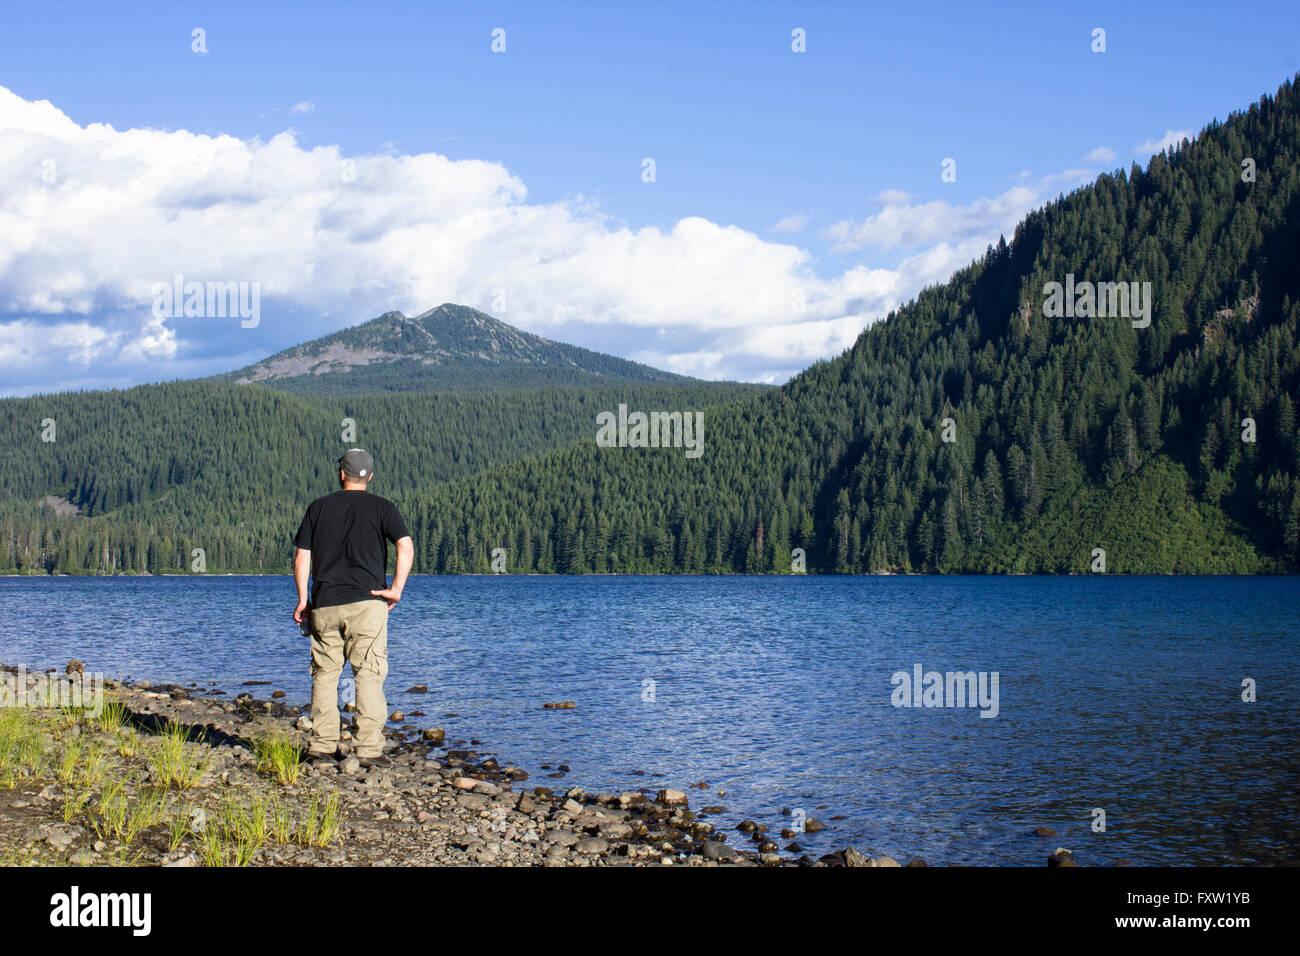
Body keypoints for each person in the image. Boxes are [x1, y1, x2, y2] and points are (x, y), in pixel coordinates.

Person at [292, 448, 413, 768]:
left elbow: (302, 556)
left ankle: (321, 745)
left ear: (342, 474)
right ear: (369, 476)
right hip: (368, 602)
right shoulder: (383, 508)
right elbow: (405, 544)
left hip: (326, 603)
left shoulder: (318, 508)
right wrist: (396, 589)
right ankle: (368, 749)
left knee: (325, 674)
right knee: (369, 675)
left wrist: (303, 599)